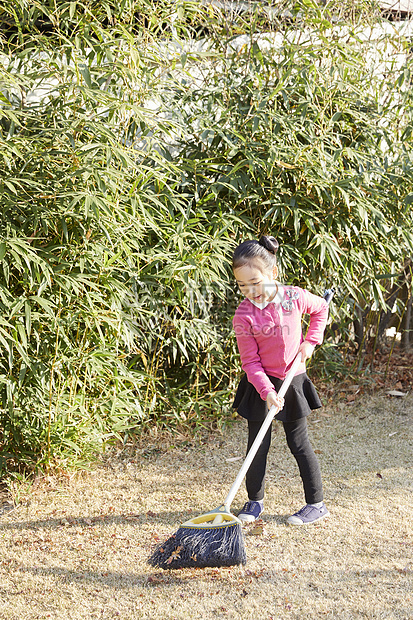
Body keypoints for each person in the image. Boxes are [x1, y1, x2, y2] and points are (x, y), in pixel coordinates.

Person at [232, 235, 330, 525]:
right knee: (257, 443)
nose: (250, 290)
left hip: (293, 378)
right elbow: (250, 361)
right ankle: (254, 502)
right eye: (242, 285)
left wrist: (311, 342)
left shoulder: (294, 297)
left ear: (272, 273)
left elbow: (320, 310)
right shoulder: (244, 314)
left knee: (298, 443)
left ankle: (316, 504)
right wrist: (266, 391)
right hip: (260, 383)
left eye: (255, 281)